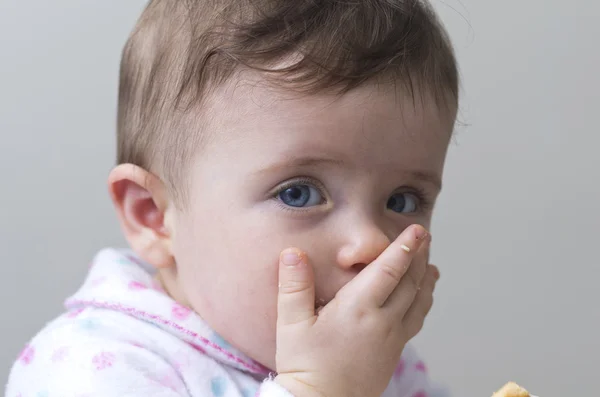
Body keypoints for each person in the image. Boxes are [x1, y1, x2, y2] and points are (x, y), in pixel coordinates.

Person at [6, 1, 459, 396]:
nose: (372, 244)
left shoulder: (371, 356)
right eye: (298, 193)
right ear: (154, 216)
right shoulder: (94, 368)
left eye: (402, 200)